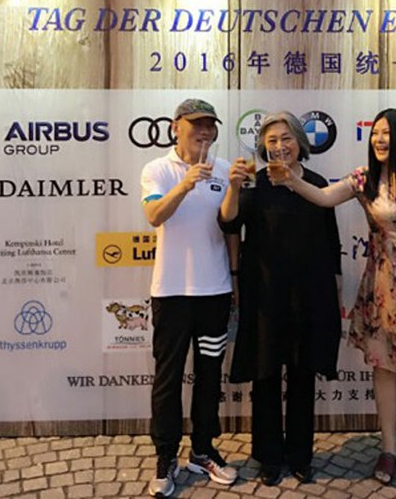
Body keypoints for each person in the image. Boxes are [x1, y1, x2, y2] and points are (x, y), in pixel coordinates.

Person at [271, 108, 396, 489]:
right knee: (383, 370)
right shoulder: (363, 180)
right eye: (376, 134)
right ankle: (388, 448)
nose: (380, 140)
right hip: (381, 288)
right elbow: (322, 197)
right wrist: (290, 180)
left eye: (387, 133)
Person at [219, 111, 342, 486]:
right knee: (266, 375)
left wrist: (336, 286)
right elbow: (228, 224)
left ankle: (301, 456)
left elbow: (332, 241)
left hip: (310, 294)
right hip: (265, 295)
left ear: (300, 144)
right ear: (262, 145)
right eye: (271, 140)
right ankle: (269, 457)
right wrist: (234, 188)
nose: (279, 146)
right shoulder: (254, 185)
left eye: (286, 138)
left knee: (304, 375)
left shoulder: (319, 184)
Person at [140, 99, 238, 498]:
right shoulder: (157, 169)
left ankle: (202, 450)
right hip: (171, 293)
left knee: (210, 376)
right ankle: (166, 457)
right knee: (167, 379)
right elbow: (154, 216)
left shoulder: (224, 167)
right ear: (175, 127)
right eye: (196, 125)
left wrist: (233, 185)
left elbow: (230, 223)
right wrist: (186, 183)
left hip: (214, 292)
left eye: (210, 126)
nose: (204, 132)